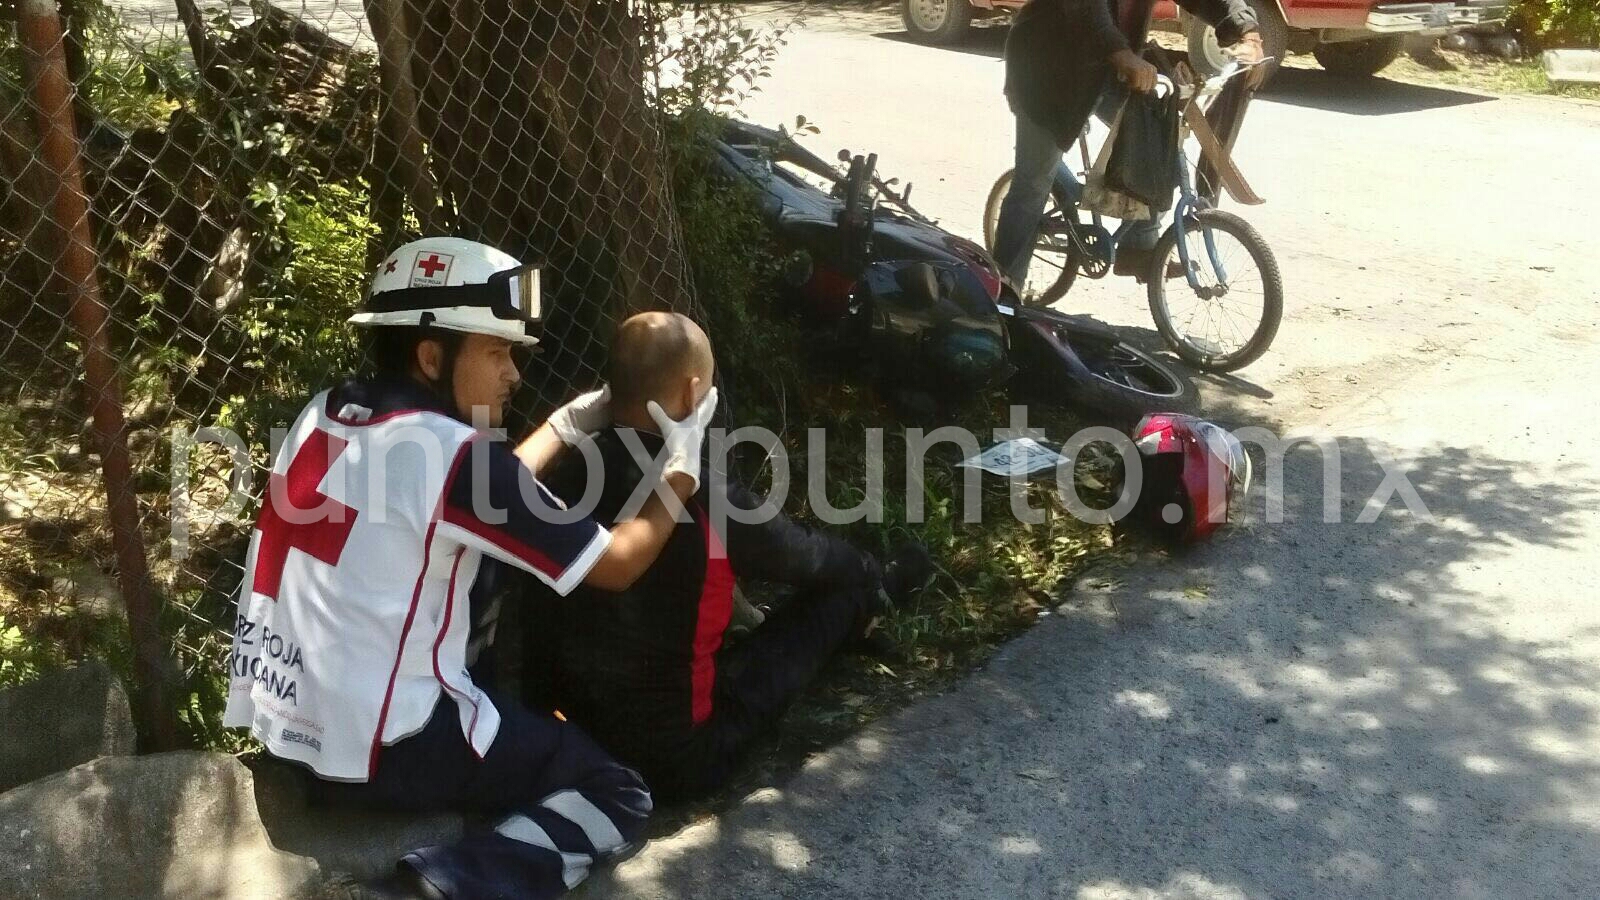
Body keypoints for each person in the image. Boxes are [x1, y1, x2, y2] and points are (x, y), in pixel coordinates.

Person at [224, 237, 719, 900]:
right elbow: (619, 562)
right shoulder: (456, 457)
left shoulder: (326, 410)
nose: (513, 373)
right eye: (496, 352)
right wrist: (681, 467)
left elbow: (479, 499)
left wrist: (566, 425)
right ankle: (440, 885)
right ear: (432, 355)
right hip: (385, 753)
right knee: (617, 791)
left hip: (288, 727)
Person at [529, 312, 933, 801]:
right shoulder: (702, 491)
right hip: (677, 758)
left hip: (570, 732)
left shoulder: (555, 473)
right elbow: (805, 557)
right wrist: (866, 571)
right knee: (842, 590)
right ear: (691, 393)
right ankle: (880, 591)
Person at [991, 0, 1265, 290]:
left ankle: (1139, 247)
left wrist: (1246, 30)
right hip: (1049, 68)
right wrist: (1122, 54)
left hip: (1109, 65)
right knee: (1034, 182)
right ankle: (1004, 290)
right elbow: (1085, 9)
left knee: (1157, 142)